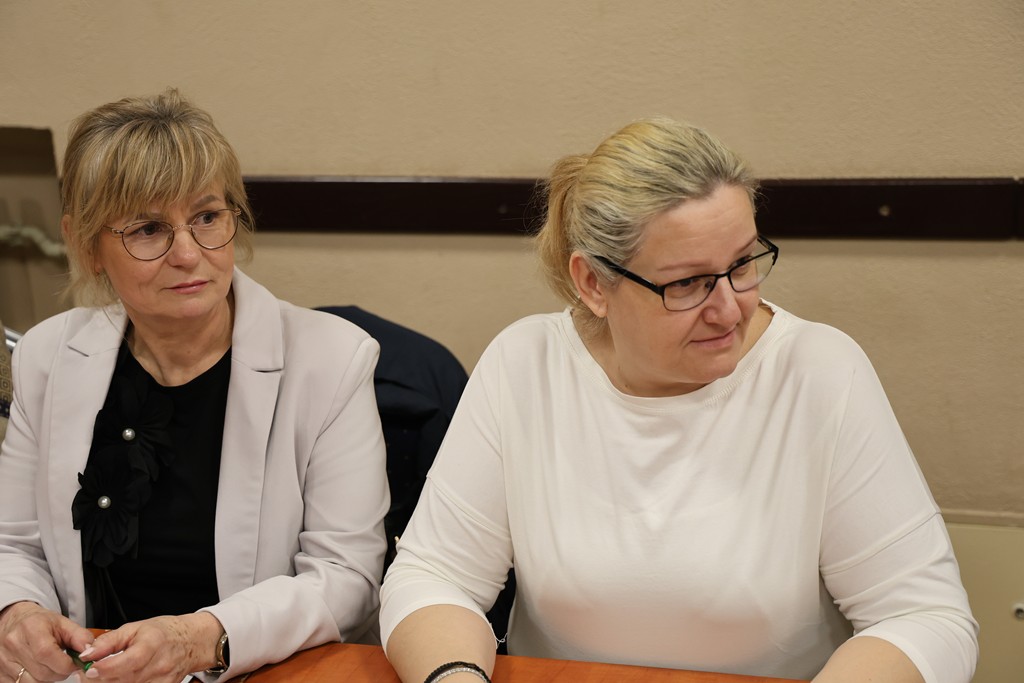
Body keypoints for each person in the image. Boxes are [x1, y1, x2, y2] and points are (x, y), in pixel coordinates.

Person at [379, 118, 978, 683]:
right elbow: (436, 575)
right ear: (594, 283)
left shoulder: (818, 370)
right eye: (688, 283)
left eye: (743, 264)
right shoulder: (526, 364)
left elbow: (924, 617)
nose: (730, 308)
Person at [0, 89, 390, 683]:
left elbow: (347, 578)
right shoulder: (46, 356)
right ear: (86, 244)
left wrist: (200, 638)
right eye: (148, 229)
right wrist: (17, 611)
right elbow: (13, 544)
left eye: (207, 217)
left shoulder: (332, 360)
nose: (188, 253)